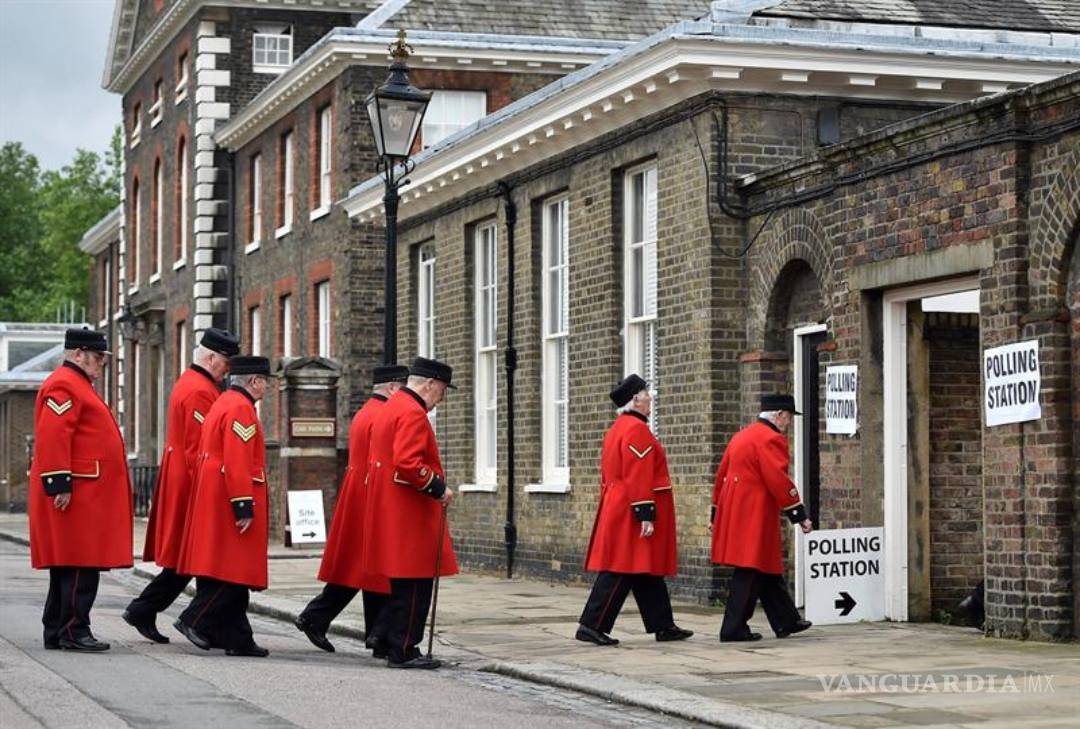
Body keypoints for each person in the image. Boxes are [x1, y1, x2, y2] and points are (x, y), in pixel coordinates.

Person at [123, 328, 238, 643]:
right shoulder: (201, 390)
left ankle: (146, 610)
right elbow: (196, 447)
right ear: (211, 357)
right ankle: (189, 619)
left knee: (186, 557)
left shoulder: (194, 383)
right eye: (226, 361)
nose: (228, 368)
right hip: (190, 482)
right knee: (195, 554)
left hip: (182, 477)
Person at [28, 328, 132, 651]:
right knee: (79, 563)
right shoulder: (64, 383)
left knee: (70, 564)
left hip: (84, 490)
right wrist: (60, 482)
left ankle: (57, 628)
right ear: (77, 354)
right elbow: (55, 433)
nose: (101, 363)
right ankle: (74, 629)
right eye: (97, 357)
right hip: (77, 491)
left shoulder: (77, 384)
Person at [296, 364, 409, 655]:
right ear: (393, 388)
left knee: (364, 570)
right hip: (371, 494)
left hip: (359, 492)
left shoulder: (366, 412)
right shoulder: (383, 414)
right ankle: (364, 631)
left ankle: (361, 631)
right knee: (377, 568)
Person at [576, 374, 693, 646]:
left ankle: (663, 625)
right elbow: (637, 474)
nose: (650, 399)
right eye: (646, 394)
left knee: (645, 569)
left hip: (620, 504)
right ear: (635, 400)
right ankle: (591, 624)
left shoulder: (620, 427)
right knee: (621, 568)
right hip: (631, 508)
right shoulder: (636, 430)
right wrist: (645, 513)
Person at [361, 357, 457, 669]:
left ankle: (390, 640)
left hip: (392, 506)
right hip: (409, 510)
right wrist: (438, 488)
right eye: (441, 390)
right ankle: (403, 647)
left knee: (403, 584)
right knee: (415, 584)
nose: (440, 398)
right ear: (429, 384)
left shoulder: (392, 405)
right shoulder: (414, 413)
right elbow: (408, 463)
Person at [174, 356, 272, 657]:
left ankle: (238, 638)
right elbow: (238, 458)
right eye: (265, 381)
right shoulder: (241, 409)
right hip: (231, 494)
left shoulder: (223, 402)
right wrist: (243, 504)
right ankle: (195, 619)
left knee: (229, 566)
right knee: (232, 569)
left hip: (215, 492)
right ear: (254, 381)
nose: (267, 387)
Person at [711, 393, 813, 642]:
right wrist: (798, 513)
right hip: (754, 512)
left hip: (735, 508)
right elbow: (778, 479)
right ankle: (733, 628)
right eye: (788, 418)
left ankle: (786, 620)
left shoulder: (741, 435)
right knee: (750, 568)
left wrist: (715, 512)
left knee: (764, 565)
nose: (788, 424)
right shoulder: (771, 439)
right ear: (779, 415)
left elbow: (721, 474)